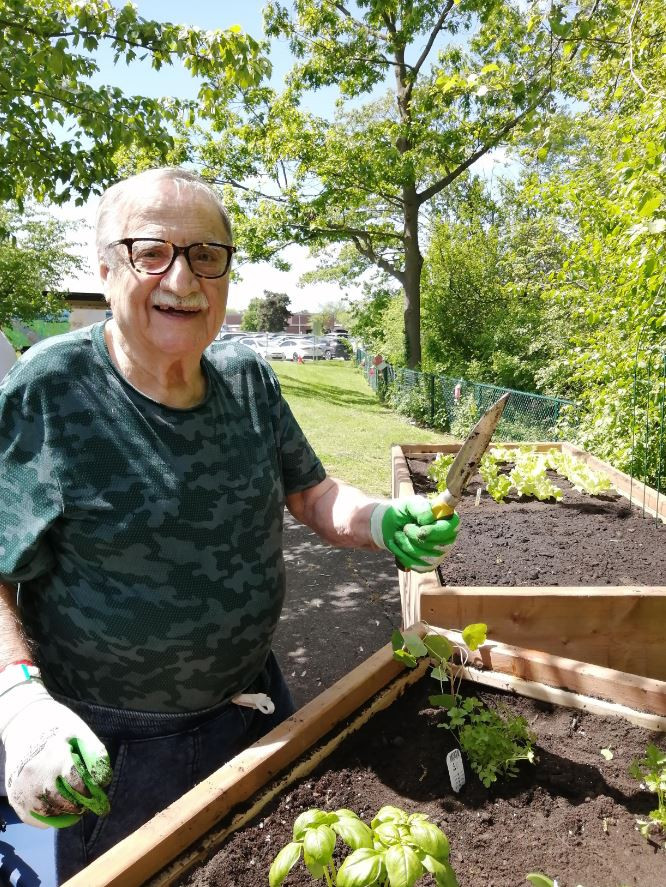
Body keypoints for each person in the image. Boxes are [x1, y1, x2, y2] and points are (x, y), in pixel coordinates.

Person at [0, 167, 459, 882]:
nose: (182, 280)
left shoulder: (249, 378)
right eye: (151, 252)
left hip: (253, 707)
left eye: (206, 255)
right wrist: (18, 700)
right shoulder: (49, 390)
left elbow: (311, 493)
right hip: (109, 746)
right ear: (103, 267)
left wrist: (376, 519)